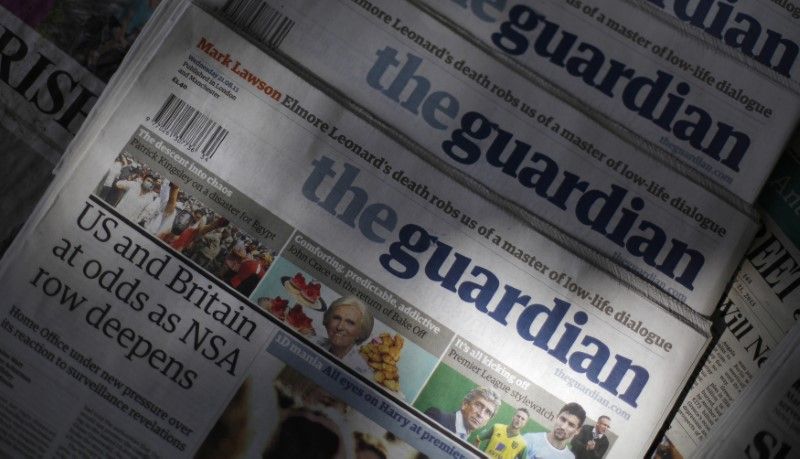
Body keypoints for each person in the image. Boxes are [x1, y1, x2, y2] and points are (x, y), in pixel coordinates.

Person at [318, 296, 374, 373]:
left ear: (361, 333)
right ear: (328, 320)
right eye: (337, 318)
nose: (339, 327)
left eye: (350, 322)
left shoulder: (364, 372)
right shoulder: (311, 340)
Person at [424, 387, 500, 440]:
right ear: (465, 404)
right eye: (478, 405)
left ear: (487, 421)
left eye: (488, 412)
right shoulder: (437, 417)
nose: (480, 414)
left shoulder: (465, 440)